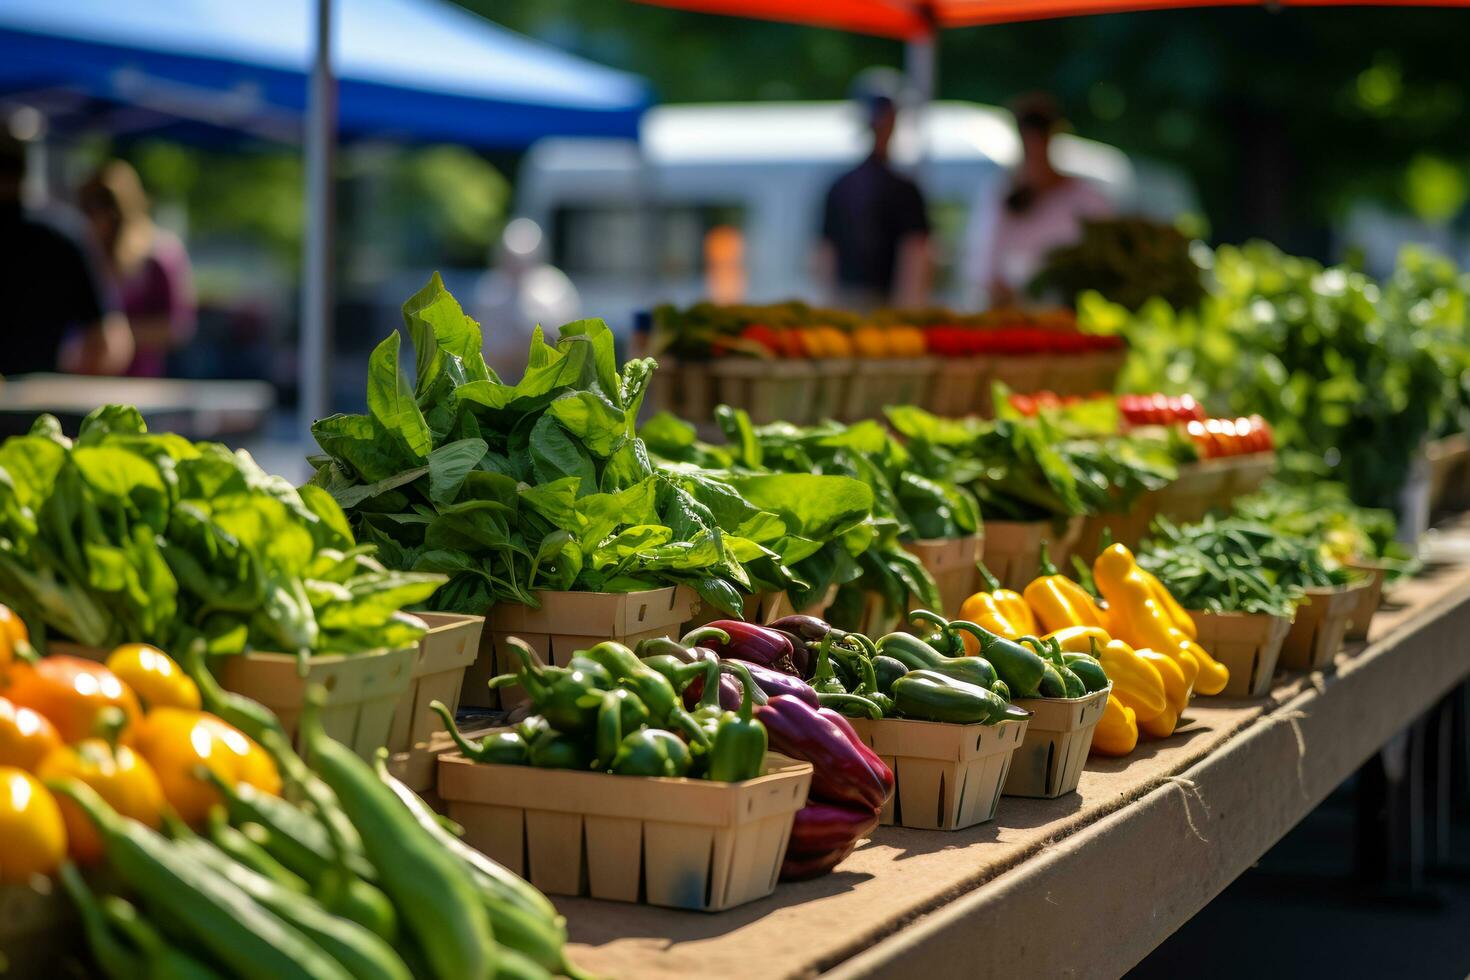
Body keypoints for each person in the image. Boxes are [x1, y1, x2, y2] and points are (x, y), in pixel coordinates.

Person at [0, 133, 132, 376]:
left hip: (35, 397)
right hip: (40, 398)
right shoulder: (65, 234)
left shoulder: (65, 233)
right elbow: (111, 341)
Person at [977, 94, 1113, 307]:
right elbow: (983, 269)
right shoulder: (1000, 193)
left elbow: (1103, 267)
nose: (1035, 144)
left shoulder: (1087, 199)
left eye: (1040, 132)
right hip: (1015, 318)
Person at [818, 88, 931, 311]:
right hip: (859, 300)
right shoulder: (845, 187)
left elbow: (916, 252)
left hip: (884, 301)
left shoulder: (843, 186)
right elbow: (825, 254)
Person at [80, 161, 195, 377]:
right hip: (88, 379)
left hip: (141, 381)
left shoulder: (160, 255)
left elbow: (178, 326)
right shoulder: (88, 253)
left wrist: (117, 335)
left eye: (101, 205)